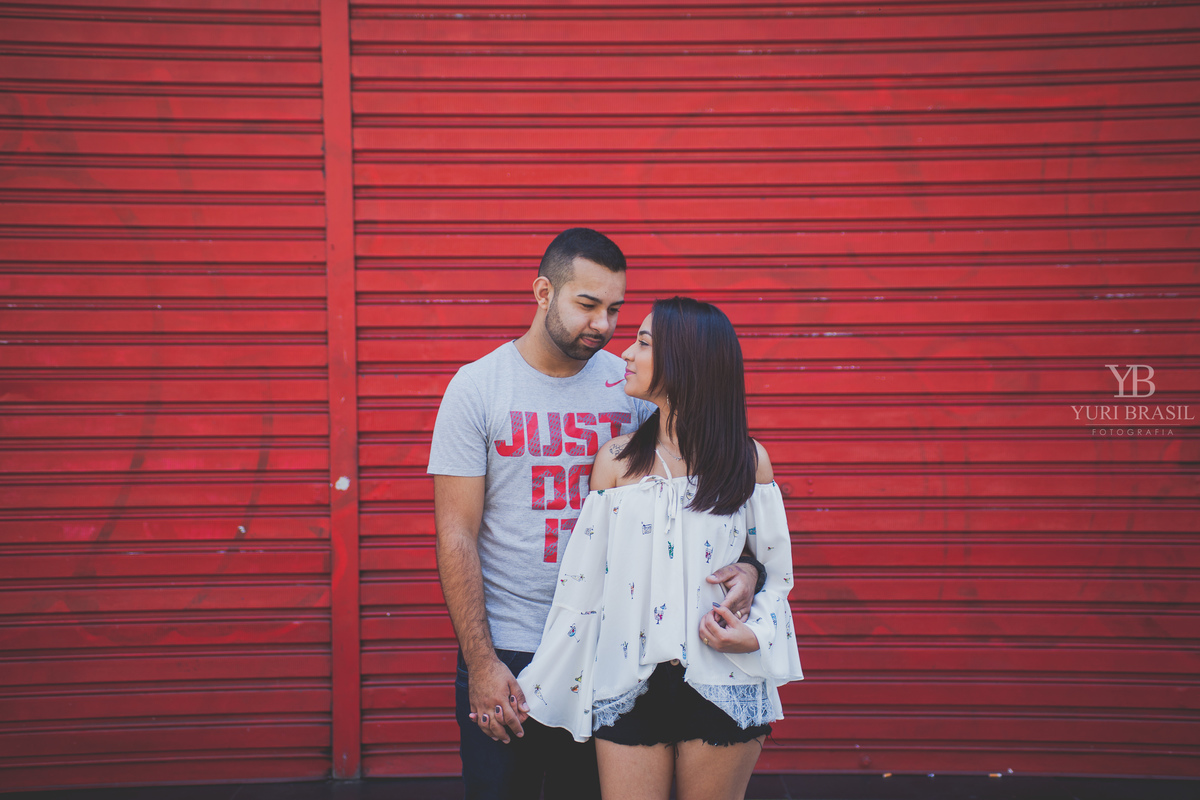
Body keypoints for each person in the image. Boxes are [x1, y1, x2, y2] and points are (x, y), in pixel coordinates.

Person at [428, 230, 763, 800]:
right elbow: (456, 533)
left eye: (614, 309)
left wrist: (751, 567)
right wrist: (481, 662)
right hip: (511, 646)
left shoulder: (634, 387)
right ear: (543, 293)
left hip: (610, 648)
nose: (603, 325)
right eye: (587, 305)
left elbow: (708, 500)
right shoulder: (478, 388)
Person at [516, 296, 804, 800]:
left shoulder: (748, 461)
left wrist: (755, 635)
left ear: (686, 361)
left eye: (644, 343)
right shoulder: (616, 462)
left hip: (724, 681)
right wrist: (535, 684)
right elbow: (581, 589)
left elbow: (774, 576)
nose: (626, 353)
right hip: (626, 684)